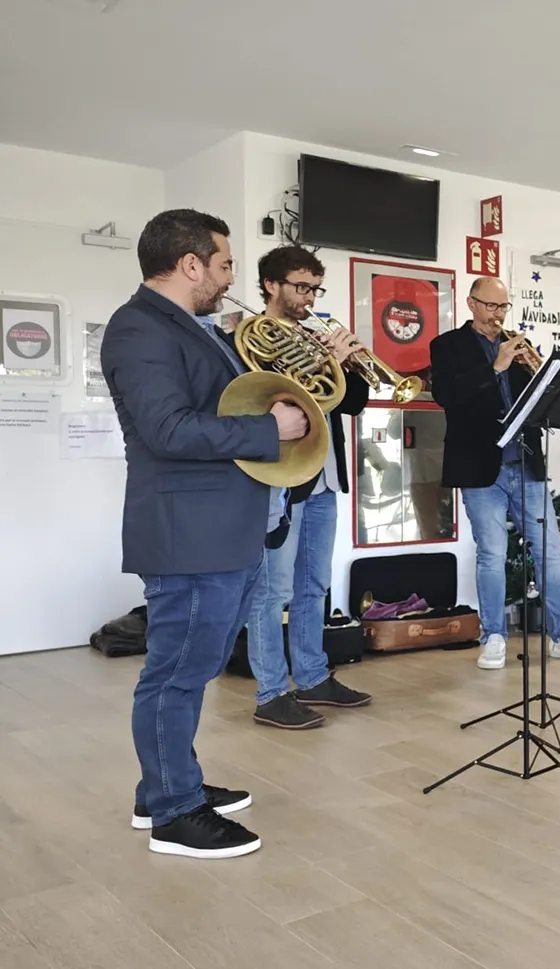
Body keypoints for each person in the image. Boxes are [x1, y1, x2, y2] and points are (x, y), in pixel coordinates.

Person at [102, 208, 311, 858]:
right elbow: (169, 430)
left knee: (194, 666)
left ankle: (165, 785)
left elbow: (214, 406)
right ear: (190, 263)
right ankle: (174, 813)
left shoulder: (187, 327)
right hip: (188, 530)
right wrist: (269, 430)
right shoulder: (138, 327)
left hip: (217, 526)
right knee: (176, 672)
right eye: (223, 265)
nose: (228, 279)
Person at [429, 276, 560, 670]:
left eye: (503, 307)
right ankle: (494, 637)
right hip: (479, 465)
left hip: (525, 461)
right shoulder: (447, 345)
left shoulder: (520, 345)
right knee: (491, 555)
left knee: (550, 553)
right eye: (491, 306)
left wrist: (542, 379)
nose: (498, 314)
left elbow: (541, 404)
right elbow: (447, 397)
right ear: (471, 303)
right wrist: (496, 367)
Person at [242, 246, 373, 729]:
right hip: (282, 477)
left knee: (314, 585)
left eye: (315, 289)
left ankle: (314, 676)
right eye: (301, 287)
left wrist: (346, 364)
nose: (310, 298)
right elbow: (269, 401)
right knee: (272, 590)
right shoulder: (249, 339)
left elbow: (350, 404)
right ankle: (271, 693)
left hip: (324, 475)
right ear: (271, 285)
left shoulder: (314, 337)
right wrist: (320, 364)